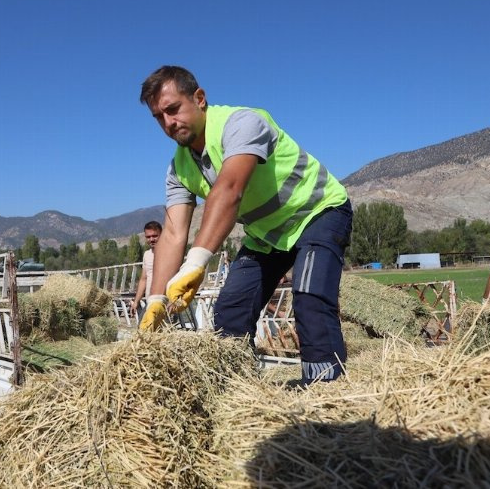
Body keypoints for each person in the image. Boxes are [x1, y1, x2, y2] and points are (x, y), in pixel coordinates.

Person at [138, 65, 353, 384]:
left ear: (199, 98)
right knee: (230, 310)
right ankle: (239, 392)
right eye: (159, 116)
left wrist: (196, 262)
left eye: (173, 109)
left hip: (317, 214)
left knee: (308, 296)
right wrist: (156, 300)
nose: (169, 123)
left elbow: (229, 190)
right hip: (267, 235)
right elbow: (172, 232)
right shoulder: (179, 168)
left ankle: (325, 393)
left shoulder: (242, 123)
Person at [131, 221, 162, 326]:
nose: (151, 239)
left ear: (161, 235)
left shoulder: (169, 253)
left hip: (164, 303)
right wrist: (136, 301)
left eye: (155, 236)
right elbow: (144, 279)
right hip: (150, 301)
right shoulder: (146, 255)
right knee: (142, 329)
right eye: (148, 237)